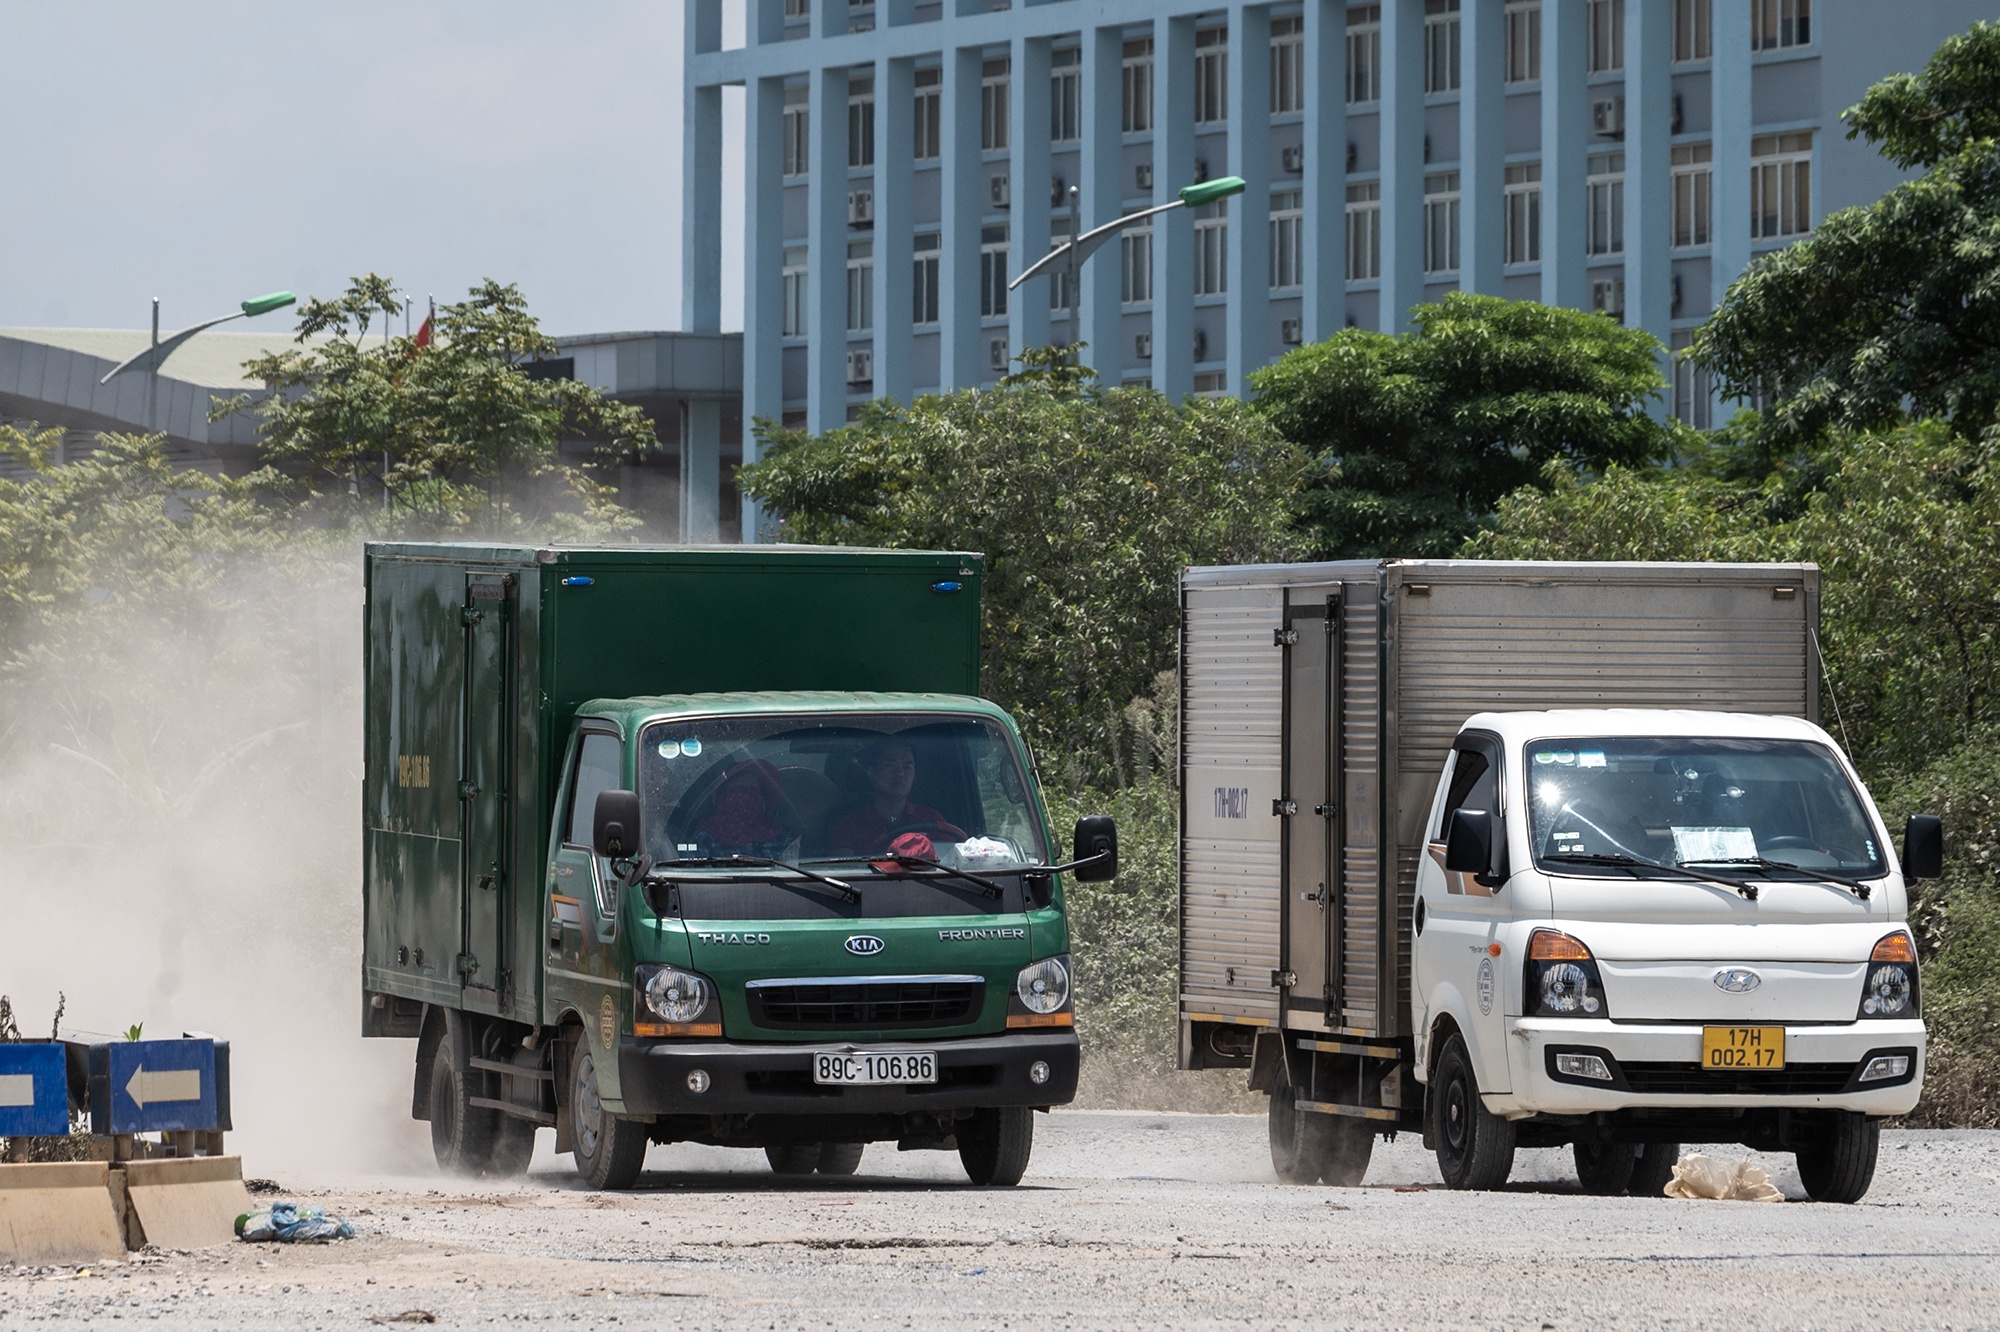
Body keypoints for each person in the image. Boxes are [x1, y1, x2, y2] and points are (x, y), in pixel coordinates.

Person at [828, 740, 964, 856]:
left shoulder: (931, 820)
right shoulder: (849, 825)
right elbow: (844, 873)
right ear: (871, 773)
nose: (900, 773)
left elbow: (952, 862)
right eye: (890, 765)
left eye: (907, 767)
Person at [696, 759, 798, 859]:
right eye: (739, 788)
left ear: (763, 799)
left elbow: (796, 870)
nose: (745, 795)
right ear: (722, 797)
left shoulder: (781, 838)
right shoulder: (705, 838)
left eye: (752, 788)